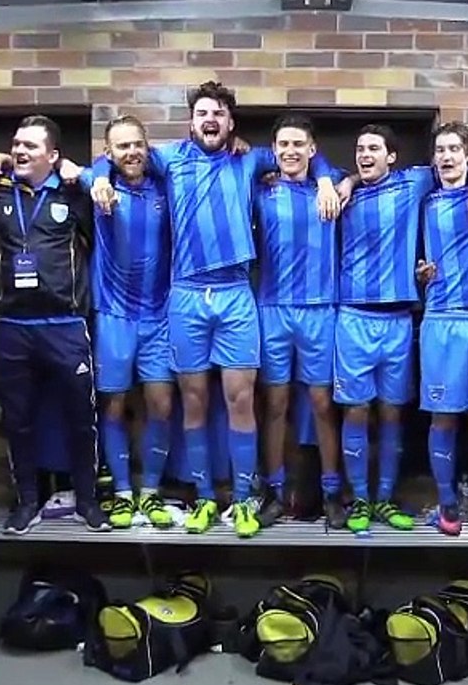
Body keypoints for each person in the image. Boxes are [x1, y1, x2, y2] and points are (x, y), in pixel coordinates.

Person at [89, 81, 340, 539]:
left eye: (219, 114)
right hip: (185, 296)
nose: (211, 119)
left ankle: (244, 500)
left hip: (235, 294)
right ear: (191, 120)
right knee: (194, 402)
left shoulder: (250, 159)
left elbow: (303, 155)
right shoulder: (168, 159)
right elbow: (117, 158)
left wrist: (324, 177)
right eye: (203, 112)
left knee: (241, 400)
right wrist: (101, 176)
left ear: (230, 122)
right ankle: (205, 498)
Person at [331, 124, 468, 534]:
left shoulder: (414, 182)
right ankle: (360, 499)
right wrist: (344, 180)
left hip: (400, 318)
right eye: (359, 149)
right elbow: (319, 171)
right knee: (356, 410)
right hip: (353, 315)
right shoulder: (342, 192)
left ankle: (383, 498)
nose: (364, 155)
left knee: (391, 413)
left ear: (392, 157)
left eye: (374, 148)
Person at [0, 115, 108, 535]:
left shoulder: (74, 194)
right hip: (13, 325)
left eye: (30, 146)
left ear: (52, 156)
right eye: (15, 143)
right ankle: (27, 502)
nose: (19, 151)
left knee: (82, 416)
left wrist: (83, 174)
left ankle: (89, 501)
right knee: (18, 418)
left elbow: (99, 237)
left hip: (66, 324)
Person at [252, 114, 345, 529]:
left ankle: (331, 493)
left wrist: (328, 179)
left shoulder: (335, 187)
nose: (290, 151)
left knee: (323, 404)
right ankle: (272, 491)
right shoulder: (261, 190)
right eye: (282, 145)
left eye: (298, 144)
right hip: (272, 309)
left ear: (312, 150)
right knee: (275, 404)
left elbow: (352, 175)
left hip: (320, 309)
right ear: (274, 151)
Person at [413, 122, 468, 536]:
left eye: (454, 149)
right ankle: (448, 503)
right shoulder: (424, 201)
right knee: (443, 418)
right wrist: (419, 272)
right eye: (440, 150)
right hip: (441, 318)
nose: (446, 156)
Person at [86, 115, 175, 529]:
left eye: (137, 144)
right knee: (115, 403)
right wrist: (98, 176)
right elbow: (78, 171)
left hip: (159, 315)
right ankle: (122, 492)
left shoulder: (165, 186)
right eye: (121, 147)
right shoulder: (97, 185)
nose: (131, 152)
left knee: (161, 404)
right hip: (114, 316)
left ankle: (151, 491)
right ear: (108, 153)